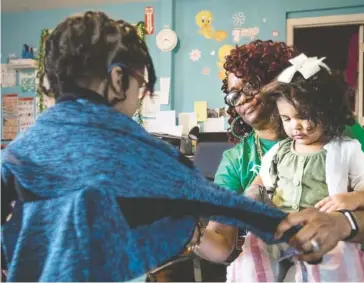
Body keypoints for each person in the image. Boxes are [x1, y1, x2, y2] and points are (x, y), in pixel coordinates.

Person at [0, 12, 302, 282]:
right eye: (141, 84)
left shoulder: (20, 149)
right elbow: (216, 203)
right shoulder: (138, 150)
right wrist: (285, 227)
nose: (139, 98)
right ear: (118, 79)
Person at [194, 40, 364, 272]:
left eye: (251, 84)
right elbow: (223, 241)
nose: (243, 99)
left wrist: (340, 223)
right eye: (234, 96)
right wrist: (189, 233)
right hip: (280, 255)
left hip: (347, 258)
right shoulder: (237, 159)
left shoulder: (339, 133)